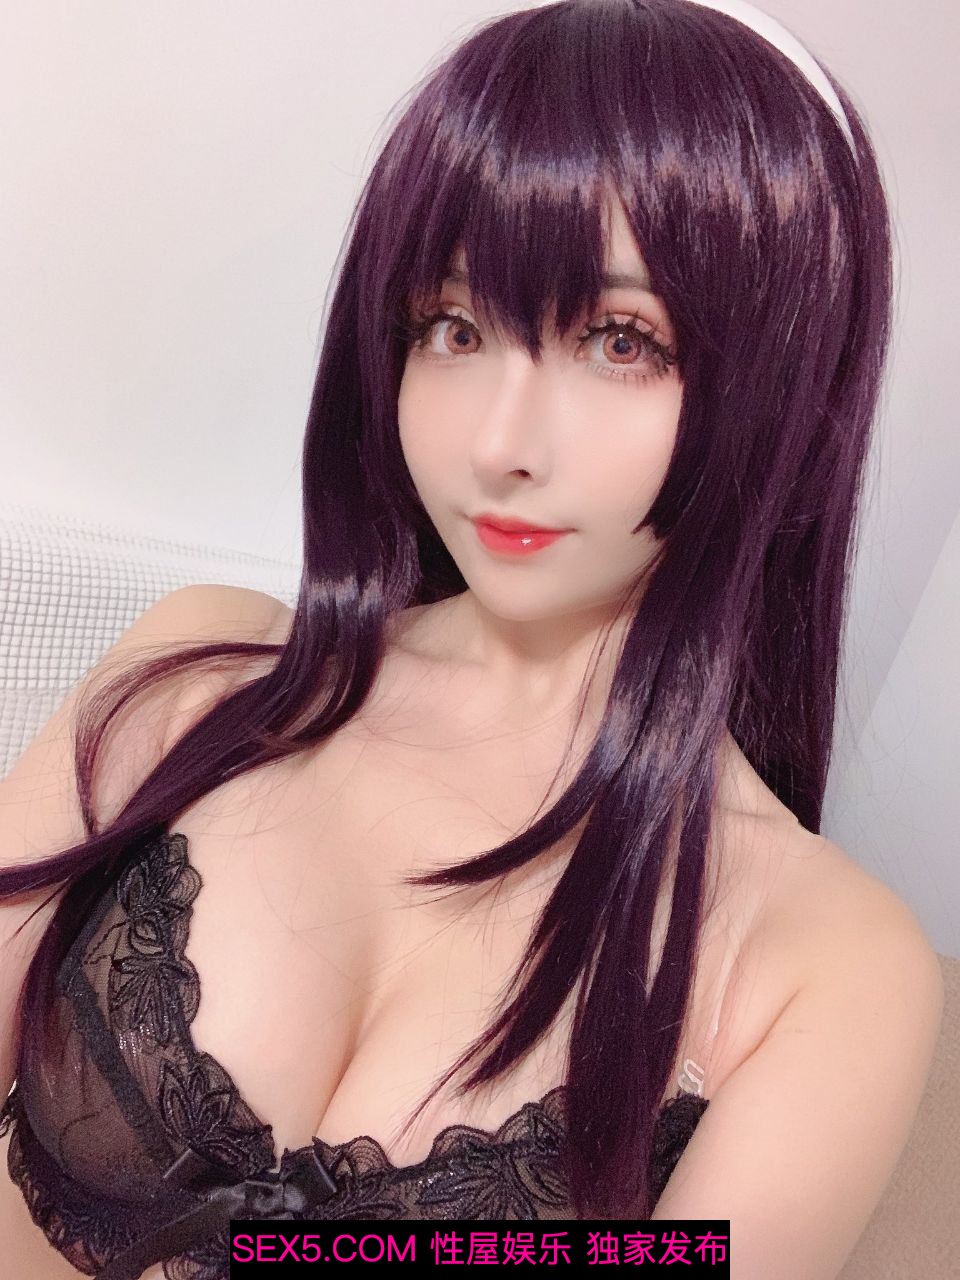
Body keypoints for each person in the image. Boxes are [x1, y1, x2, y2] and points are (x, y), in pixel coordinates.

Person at [0, 1, 944, 1277]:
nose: (498, 440)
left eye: (621, 340)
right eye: (453, 326)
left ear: (786, 395)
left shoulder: (822, 963)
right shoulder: (194, 683)